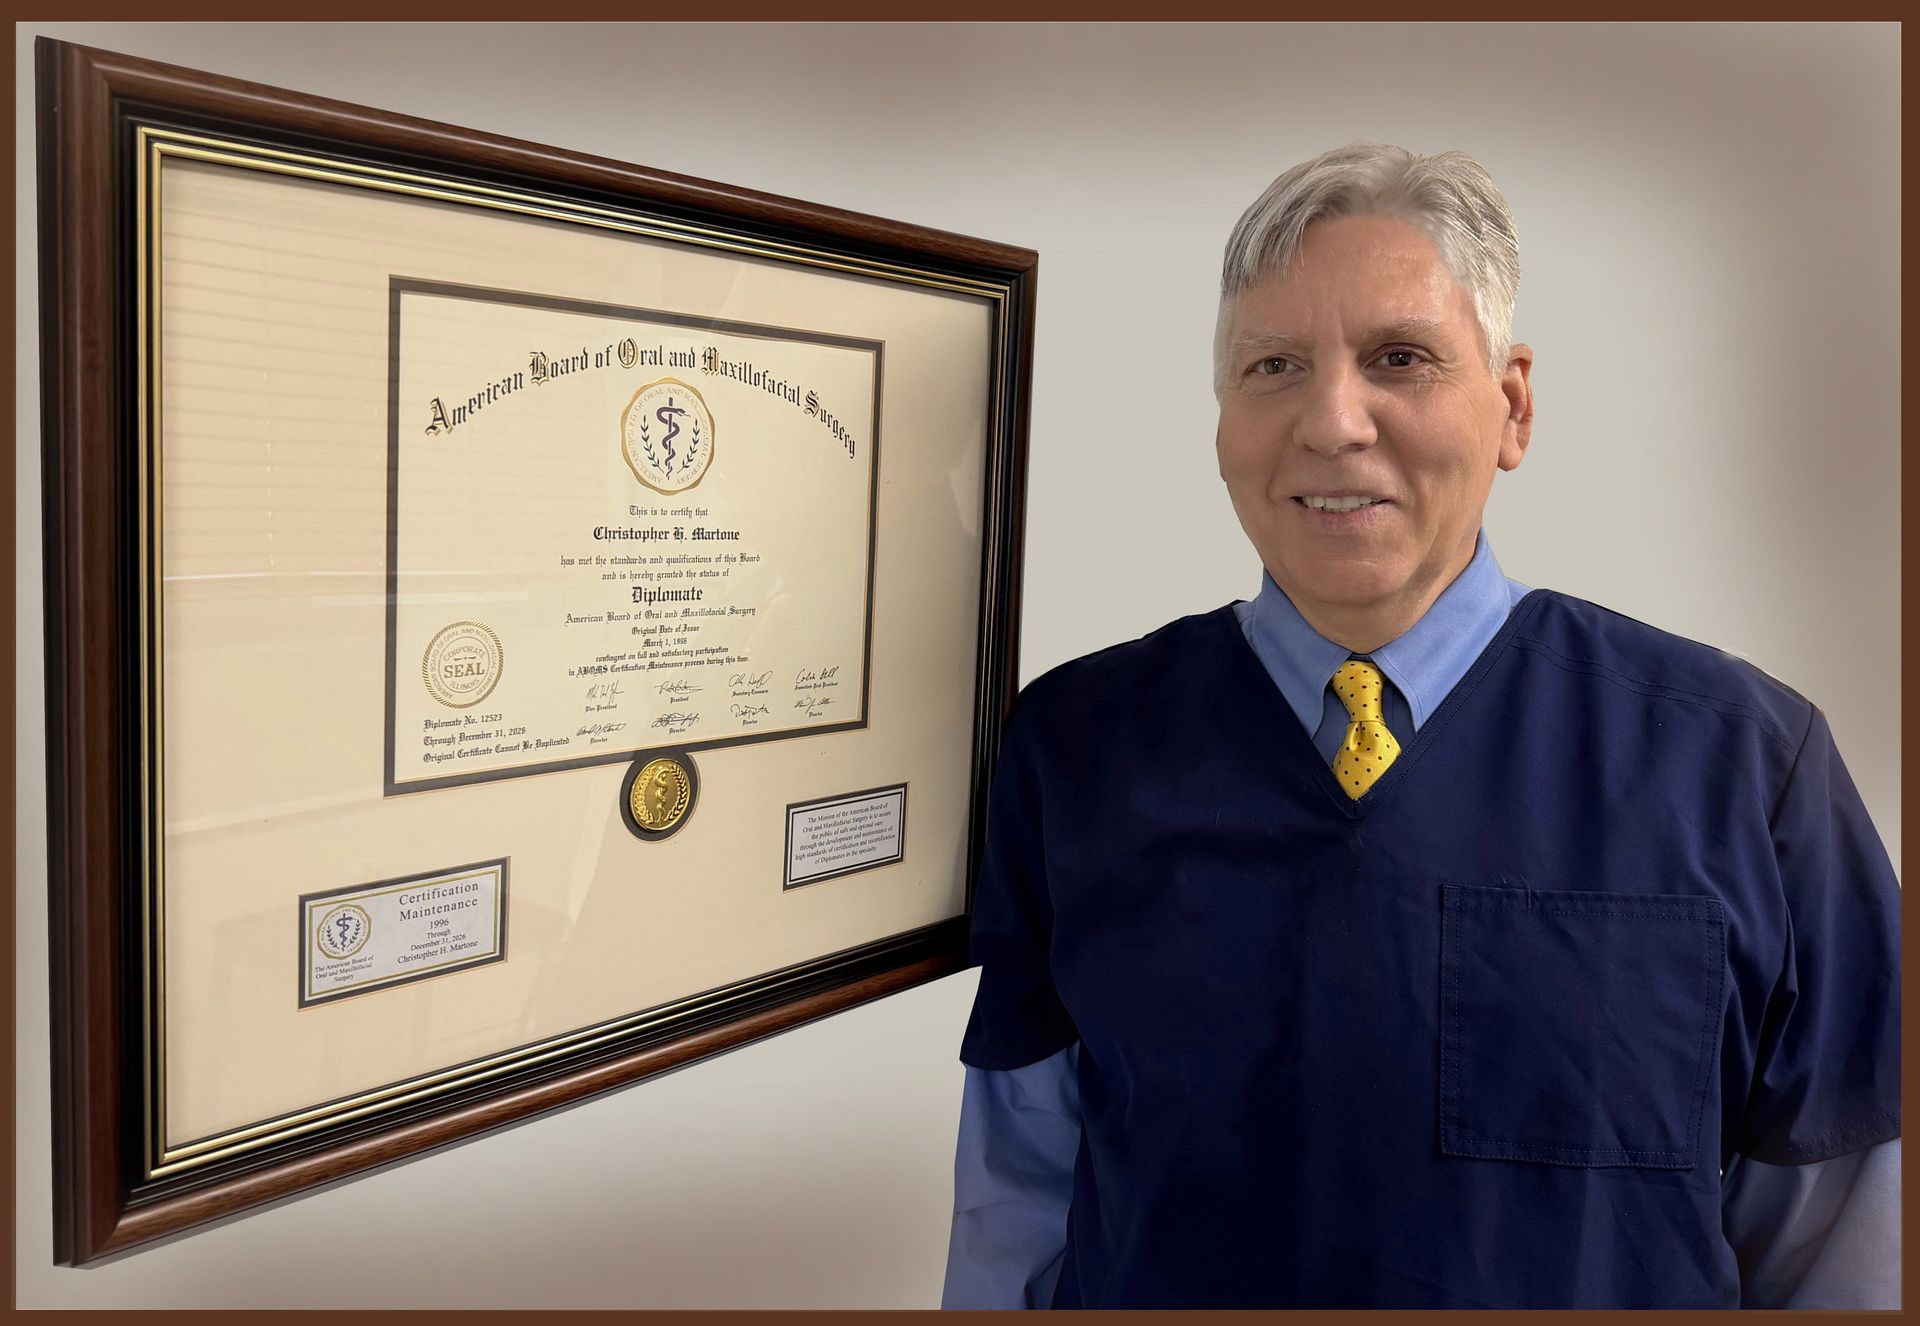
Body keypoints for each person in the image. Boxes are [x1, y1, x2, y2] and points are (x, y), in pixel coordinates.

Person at [940, 143, 1900, 1310]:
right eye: (1273, 366)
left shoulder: (1748, 766)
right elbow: (1020, 1196)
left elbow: (1843, 1227)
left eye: (1400, 358)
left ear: (1513, 404)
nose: (1332, 422)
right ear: (1222, 423)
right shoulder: (1075, 748)